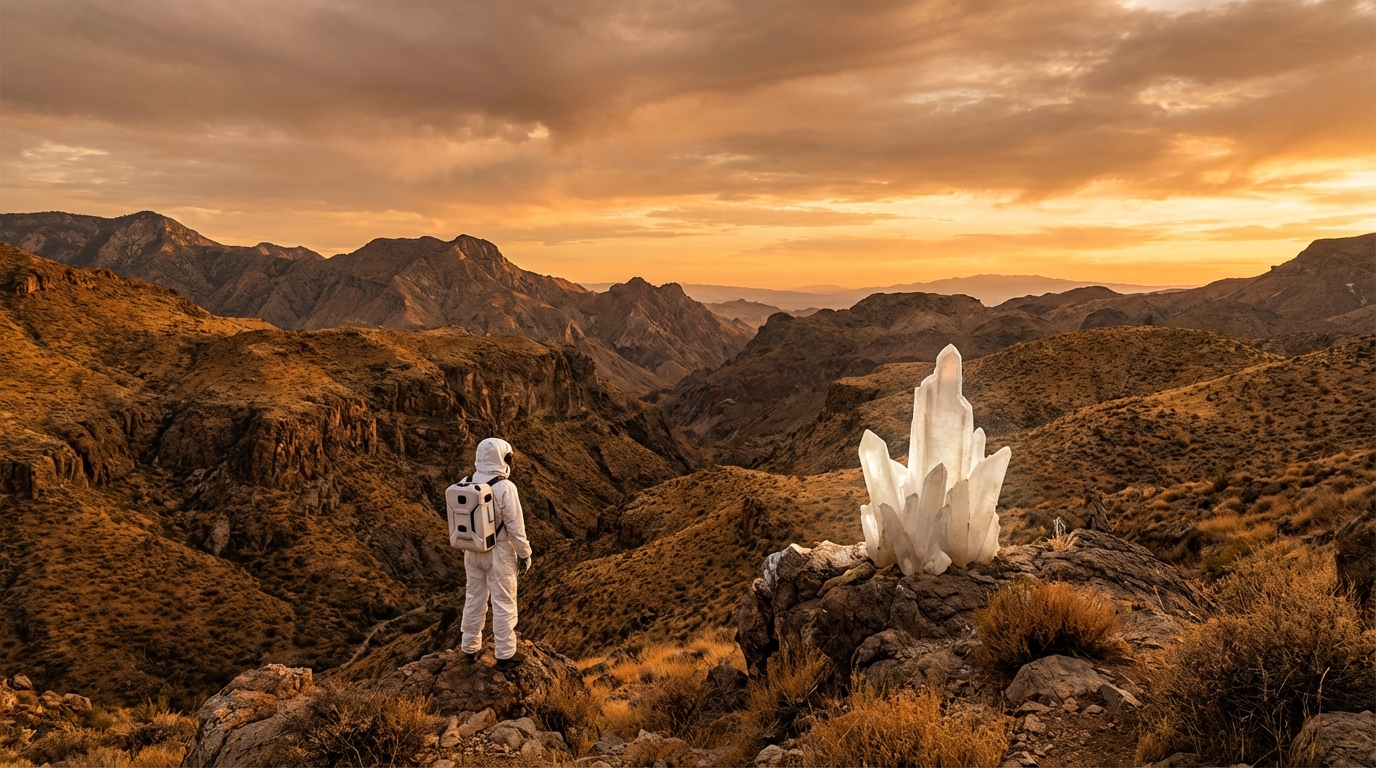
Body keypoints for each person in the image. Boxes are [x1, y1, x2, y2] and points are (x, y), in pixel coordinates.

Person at [460, 437, 533, 671]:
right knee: (503, 601)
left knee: (474, 598)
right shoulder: (505, 487)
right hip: (499, 552)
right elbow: (515, 527)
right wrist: (525, 554)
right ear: (501, 458)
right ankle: (504, 654)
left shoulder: (466, 481)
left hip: (473, 550)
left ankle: (469, 647)